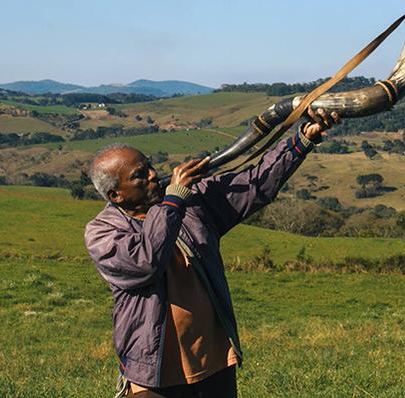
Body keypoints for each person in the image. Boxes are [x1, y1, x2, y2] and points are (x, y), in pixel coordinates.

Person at [84, 108, 340, 397]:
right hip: (152, 373)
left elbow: (254, 185)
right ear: (115, 195)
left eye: (150, 166)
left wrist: (301, 142)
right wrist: (172, 202)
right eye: (140, 175)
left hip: (213, 360)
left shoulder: (191, 203)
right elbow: (147, 261)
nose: (154, 175)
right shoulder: (102, 233)